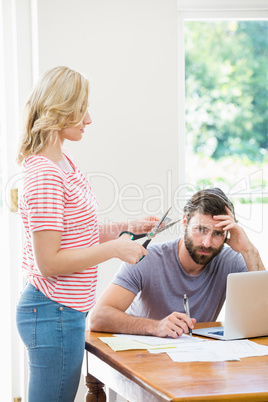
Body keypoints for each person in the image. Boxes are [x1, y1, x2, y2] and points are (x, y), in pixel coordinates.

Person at [15, 66, 159, 402]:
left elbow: (76, 234)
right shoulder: (45, 175)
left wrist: (128, 229)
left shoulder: (64, 163)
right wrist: (116, 250)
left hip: (64, 312)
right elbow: (49, 262)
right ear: (60, 110)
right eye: (82, 109)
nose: (89, 119)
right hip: (52, 311)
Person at [90, 188, 266, 339]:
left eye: (217, 234)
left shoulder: (230, 260)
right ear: (185, 222)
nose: (207, 242)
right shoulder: (148, 258)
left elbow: (264, 314)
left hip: (195, 361)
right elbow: (98, 317)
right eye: (200, 229)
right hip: (141, 361)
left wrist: (248, 250)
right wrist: (156, 326)